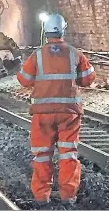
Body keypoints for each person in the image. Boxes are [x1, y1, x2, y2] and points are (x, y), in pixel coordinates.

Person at [16, 13, 96, 207]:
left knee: (42, 154)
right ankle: (68, 195)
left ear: (46, 32)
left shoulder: (37, 55)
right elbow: (88, 79)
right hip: (69, 112)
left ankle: (42, 196)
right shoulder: (75, 54)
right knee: (68, 154)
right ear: (63, 30)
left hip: (42, 114)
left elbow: (23, 80)